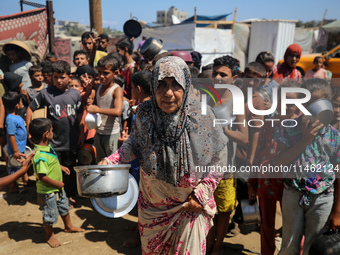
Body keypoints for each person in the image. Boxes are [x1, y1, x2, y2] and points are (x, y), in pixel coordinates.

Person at [98, 56, 228, 254]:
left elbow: (220, 156)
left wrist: (202, 193)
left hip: (189, 207)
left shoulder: (203, 115)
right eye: (161, 85)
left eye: (175, 85)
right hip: (152, 210)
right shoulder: (145, 112)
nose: (168, 93)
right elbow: (134, 143)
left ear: (186, 85)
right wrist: (111, 160)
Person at [274, 78, 340, 255]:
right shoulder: (288, 128)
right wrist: (305, 139)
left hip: (323, 198)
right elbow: (279, 163)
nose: (311, 107)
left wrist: (338, 210)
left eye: (317, 102)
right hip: (293, 193)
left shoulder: (334, 135)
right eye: (307, 102)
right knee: (289, 247)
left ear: (328, 102)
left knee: (315, 246)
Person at [248, 80, 300, 255]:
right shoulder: (269, 124)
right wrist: (252, 182)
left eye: (291, 103)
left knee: (293, 226)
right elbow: (259, 153)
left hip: (292, 186)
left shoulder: (302, 128)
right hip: (267, 182)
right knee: (267, 225)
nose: (286, 107)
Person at [26, 60, 85, 206]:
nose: (59, 80)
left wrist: (82, 133)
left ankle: (69, 195)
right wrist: (30, 131)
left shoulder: (75, 95)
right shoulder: (46, 93)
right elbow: (30, 109)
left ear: (69, 77)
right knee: (52, 169)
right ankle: (53, 196)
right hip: (52, 142)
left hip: (70, 140)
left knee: (69, 169)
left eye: (62, 77)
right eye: (56, 77)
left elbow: (79, 114)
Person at [207, 55, 247, 255]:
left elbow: (244, 136)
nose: (218, 77)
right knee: (206, 209)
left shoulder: (237, 100)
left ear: (234, 78)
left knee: (223, 211)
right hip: (204, 166)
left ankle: (217, 245)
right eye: (215, 73)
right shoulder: (207, 96)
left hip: (226, 168)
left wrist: (222, 130)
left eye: (224, 74)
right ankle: (206, 244)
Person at [29, 118, 84, 248]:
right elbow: (42, 177)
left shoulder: (46, 148)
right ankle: (49, 235)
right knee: (49, 213)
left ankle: (68, 226)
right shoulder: (40, 156)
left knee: (64, 206)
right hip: (49, 191)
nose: (53, 132)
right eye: (52, 130)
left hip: (57, 189)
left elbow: (51, 162)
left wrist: (59, 166)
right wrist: (57, 184)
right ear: (46, 134)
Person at [87, 55, 123, 163]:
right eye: (100, 72)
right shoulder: (99, 87)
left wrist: (97, 110)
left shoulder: (116, 90)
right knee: (101, 164)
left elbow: (118, 111)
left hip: (112, 135)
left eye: (106, 73)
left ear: (115, 73)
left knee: (112, 165)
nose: (102, 76)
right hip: (99, 133)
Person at [2, 91, 27, 192]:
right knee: (14, 168)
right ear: (17, 105)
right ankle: (13, 186)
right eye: (21, 101)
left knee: (21, 165)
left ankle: (25, 180)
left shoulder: (16, 116)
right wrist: (16, 151)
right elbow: (11, 136)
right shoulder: (11, 119)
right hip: (15, 150)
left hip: (20, 147)